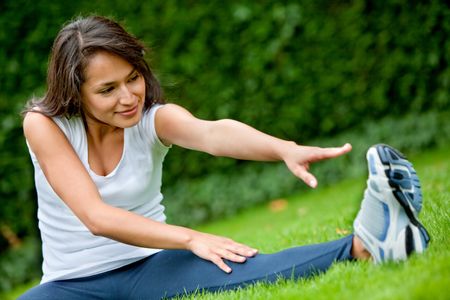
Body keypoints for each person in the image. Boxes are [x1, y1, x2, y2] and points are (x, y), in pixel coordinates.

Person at [19, 16, 430, 299]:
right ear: (76, 93)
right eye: (108, 90)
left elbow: (212, 133)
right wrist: (191, 238)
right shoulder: (45, 125)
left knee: (249, 269)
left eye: (133, 78)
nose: (129, 98)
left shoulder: (151, 120)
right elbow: (96, 217)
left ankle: (372, 241)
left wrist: (283, 149)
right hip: (72, 283)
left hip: (152, 266)